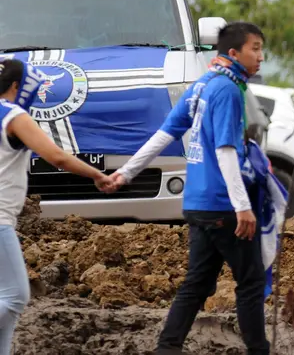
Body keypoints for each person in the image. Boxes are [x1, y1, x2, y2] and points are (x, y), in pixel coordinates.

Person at [103, 22, 269, 354]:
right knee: (250, 282)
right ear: (233, 53)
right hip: (223, 206)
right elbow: (225, 150)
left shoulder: (202, 84)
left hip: (196, 203)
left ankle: (168, 347)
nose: (261, 57)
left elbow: (166, 133)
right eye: (255, 48)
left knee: (196, 284)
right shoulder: (227, 89)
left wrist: (126, 172)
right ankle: (258, 350)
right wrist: (242, 206)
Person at [0, 59, 112, 354]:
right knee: (16, 297)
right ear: (16, 86)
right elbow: (57, 157)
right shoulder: (13, 116)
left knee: (5, 301)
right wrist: (97, 175)